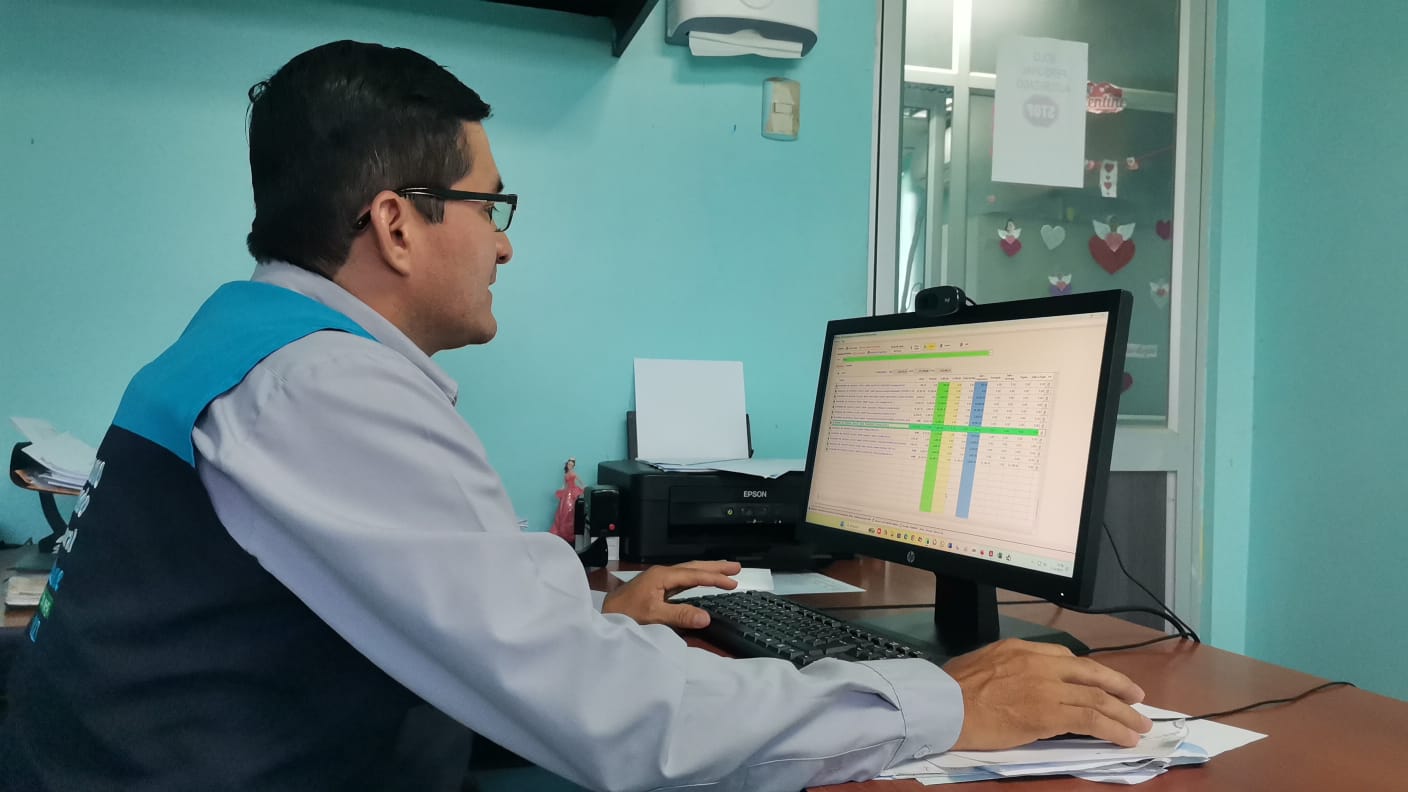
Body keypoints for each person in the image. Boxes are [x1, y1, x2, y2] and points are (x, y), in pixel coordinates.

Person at [0, 41, 1151, 792]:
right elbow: (616, 720)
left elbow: (433, 595)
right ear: (396, 224)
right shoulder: (319, 384)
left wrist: (587, 610)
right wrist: (938, 700)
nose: (503, 244)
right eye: (489, 205)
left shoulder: (249, 339)